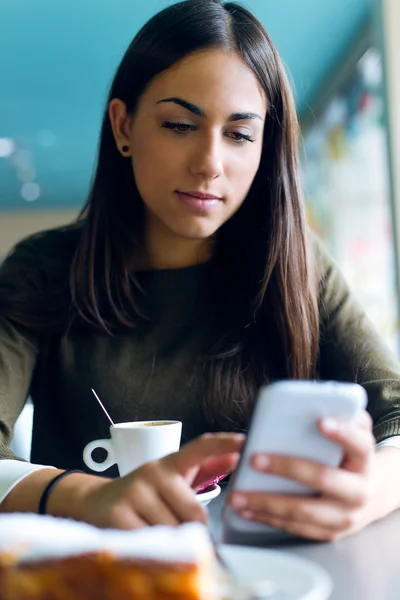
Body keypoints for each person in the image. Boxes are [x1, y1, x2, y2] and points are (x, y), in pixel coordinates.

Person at [1, 0, 400, 542]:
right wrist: (87, 495)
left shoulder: (297, 266)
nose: (210, 162)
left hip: (271, 575)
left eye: (239, 134)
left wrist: (370, 490)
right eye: (179, 124)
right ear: (123, 125)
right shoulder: (43, 270)